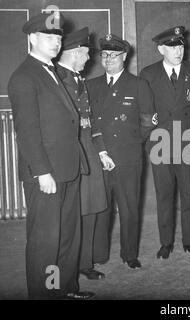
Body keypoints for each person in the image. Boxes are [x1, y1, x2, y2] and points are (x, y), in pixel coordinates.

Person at [7, 12, 94, 299]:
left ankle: (65, 288)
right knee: (47, 243)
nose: (55, 42)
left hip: (67, 169)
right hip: (47, 175)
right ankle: (47, 293)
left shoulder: (52, 72)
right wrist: (42, 172)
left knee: (68, 236)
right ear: (32, 38)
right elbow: (28, 132)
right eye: (48, 37)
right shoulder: (25, 77)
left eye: (58, 37)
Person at [87, 34, 156, 269]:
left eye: (113, 55)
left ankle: (130, 255)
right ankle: (99, 254)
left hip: (128, 158)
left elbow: (148, 121)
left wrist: (132, 144)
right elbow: (89, 122)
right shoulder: (91, 85)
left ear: (124, 57)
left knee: (129, 209)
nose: (108, 60)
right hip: (100, 157)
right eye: (104, 55)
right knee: (101, 209)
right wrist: (101, 151)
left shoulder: (138, 84)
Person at [140, 26, 190, 259]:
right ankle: (165, 243)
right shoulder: (148, 74)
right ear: (161, 49)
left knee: (189, 196)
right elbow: (144, 111)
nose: (178, 51)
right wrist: (149, 139)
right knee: (164, 196)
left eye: (181, 46)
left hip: (187, 142)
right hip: (160, 143)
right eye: (172, 47)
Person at [55, 27, 107, 280]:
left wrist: (100, 151)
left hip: (88, 149)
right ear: (75, 52)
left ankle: (84, 262)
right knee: (73, 214)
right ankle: (69, 267)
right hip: (71, 153)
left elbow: (89, 120)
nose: (89, 59)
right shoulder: (57, 79)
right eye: (86, 53)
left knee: (91, 207)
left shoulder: (77, 79)